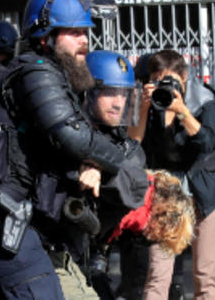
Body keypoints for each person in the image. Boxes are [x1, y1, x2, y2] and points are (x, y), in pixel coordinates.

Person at [0, 0, 142, 298]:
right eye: (74, 32)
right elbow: (73, 135)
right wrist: (108, 159)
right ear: (45, 36)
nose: (84, 40)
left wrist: (95, 161)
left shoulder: (44, 74)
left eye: (86, 31)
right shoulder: (37, 71)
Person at [127, 50, 215, 300]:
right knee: (158, 276)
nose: (166, 87)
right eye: (158, 79)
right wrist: (142, 108)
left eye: (171, 80)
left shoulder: (204, 100)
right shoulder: (147, 105)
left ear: (185, 77)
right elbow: (134, 145)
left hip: (207, 193)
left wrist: (182, 110)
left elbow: (207, 142)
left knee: (205, 278)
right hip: (166, 195)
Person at [81, 50, 153, 300]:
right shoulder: (66, 133)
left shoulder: (125, 144)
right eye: (110, 92)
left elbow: (133, 172)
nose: (118, 102)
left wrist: (100, 166)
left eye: (123, 94)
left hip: (93, 254)